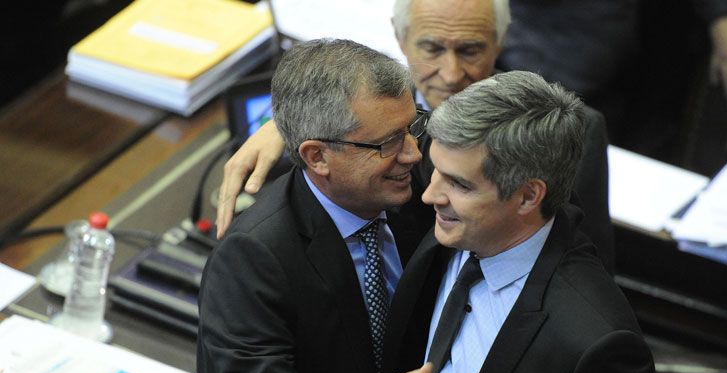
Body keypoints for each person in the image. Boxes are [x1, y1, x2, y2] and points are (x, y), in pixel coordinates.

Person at [146, 39, 473, 373]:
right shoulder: (255, 257)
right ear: (317, 156)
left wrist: (281, 125)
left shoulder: (403, 176)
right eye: (388, 143)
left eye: (412, 127)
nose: (414, 155)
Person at [382, 71, 674, 373]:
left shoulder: (595, 343)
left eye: (459, 185)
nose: (429, 195)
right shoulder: (458, 228)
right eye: (435, 171)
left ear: (526, 197)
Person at [216, 0, 615, 273]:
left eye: (471, 50)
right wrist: (292, 126)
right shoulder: (338, 123)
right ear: (400, 38)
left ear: (501, 41)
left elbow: (586, 260)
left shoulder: (570, 129)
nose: (453, 73)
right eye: (432, 48)